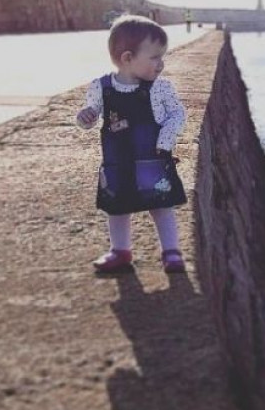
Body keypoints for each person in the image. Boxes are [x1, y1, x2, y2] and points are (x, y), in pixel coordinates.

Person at [76, 14, 188, 273]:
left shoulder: (160, 88)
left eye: (162, 57)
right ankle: (120, 251)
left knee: (161, 205)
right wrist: (85, 117)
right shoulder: (101, 87)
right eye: (155, 57)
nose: (161, 64)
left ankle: (171, 251)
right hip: (117, 163)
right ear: (127, 58)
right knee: (116, 208)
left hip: (153, 159)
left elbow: (177, 114)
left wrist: (166, 139)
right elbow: (90, 117)